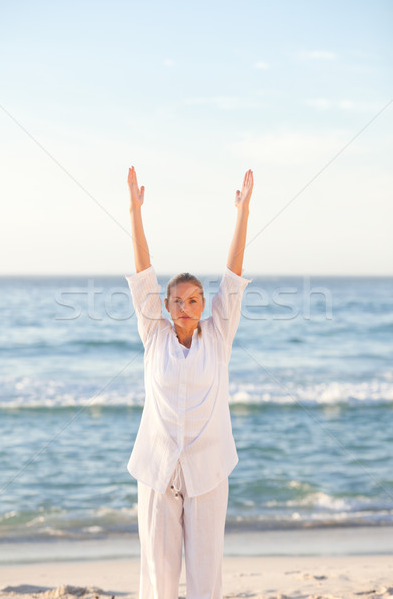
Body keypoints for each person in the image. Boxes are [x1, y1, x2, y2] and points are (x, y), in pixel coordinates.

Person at [125, 165, 254, 599]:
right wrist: (134, 210)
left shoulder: (218, 336)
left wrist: (243, 211)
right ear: (166, 304)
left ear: (203, 304)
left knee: (205, 582)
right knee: (158, 583)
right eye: (176, 300)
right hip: (158, 471)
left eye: (193, 300)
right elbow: (143, 271)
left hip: (208, 472)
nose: (184, 306)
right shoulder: (154, 334)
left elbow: (233, 277)